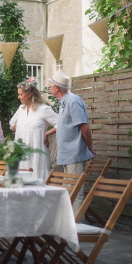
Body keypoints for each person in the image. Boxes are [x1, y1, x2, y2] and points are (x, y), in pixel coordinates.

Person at [49, 72, 96, 213]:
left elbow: (85, 127)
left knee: (76, 192)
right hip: (66, 155)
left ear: (57, 88)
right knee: (68, 192)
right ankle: (69, 225)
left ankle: (78, 228)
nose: (49, 88)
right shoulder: (63, 102)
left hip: (74, 154)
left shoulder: (73, 101)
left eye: (51, 85)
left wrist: (90, 147)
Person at [9, 79, 58, 180]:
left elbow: (60, 124)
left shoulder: (44, 109)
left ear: (29, 94)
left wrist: (46, 133)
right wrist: (22, 130)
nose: (18, 97)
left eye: (21, 94)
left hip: (37, 151)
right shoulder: (21, 109)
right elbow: (11, 123)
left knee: (37, 176)